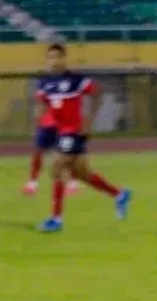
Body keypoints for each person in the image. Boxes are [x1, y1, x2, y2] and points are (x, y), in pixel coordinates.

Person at [35, 44, 132, 233]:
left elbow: (97, 94)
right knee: (82, 174)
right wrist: (43, 123)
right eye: (50, 57)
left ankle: (56, 219)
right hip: (61, 132)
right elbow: (43, 105)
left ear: (64, 58)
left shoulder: (76, 80)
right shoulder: (44, 83)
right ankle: (119, 195)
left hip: (75, 131)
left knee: (57, 167)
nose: (54, 61)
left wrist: (89, 121)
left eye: (57, 57)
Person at [21, 103, 78, 197]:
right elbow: (41, 103)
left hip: (63, 124)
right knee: (38, 152)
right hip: (47, 124)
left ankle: (72, 184)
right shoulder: (46, 89)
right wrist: (39, 120)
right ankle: (32, 184)